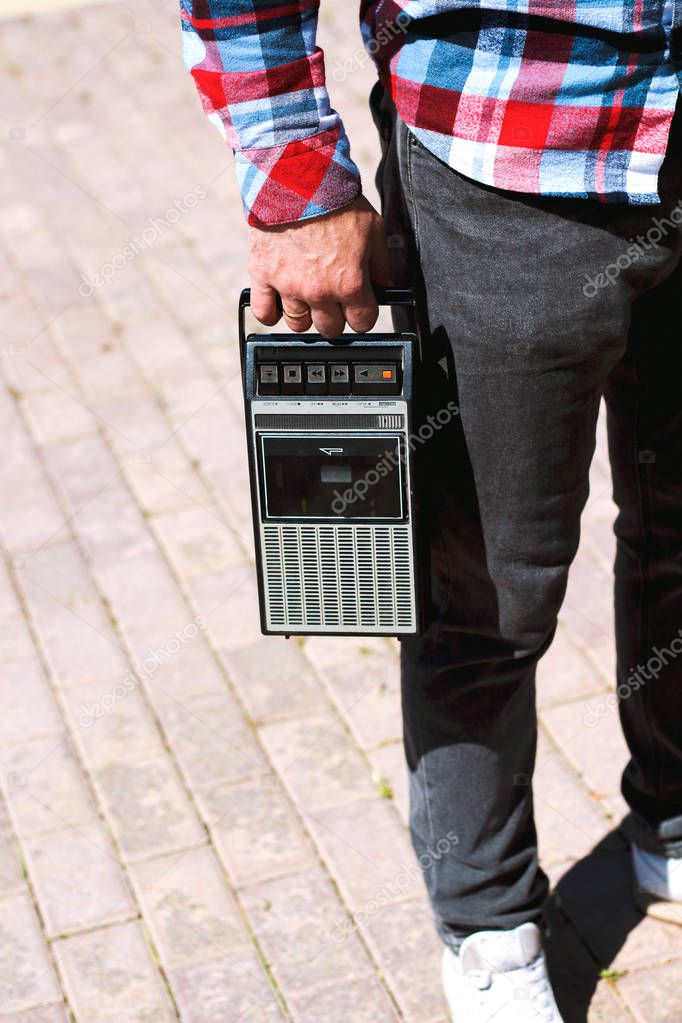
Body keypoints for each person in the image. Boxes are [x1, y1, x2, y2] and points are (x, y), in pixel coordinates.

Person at [180, 2, 682, 1019]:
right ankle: (488, 919)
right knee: (485, 589)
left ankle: (670, 821)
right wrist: (291, 176)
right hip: (505, 159)